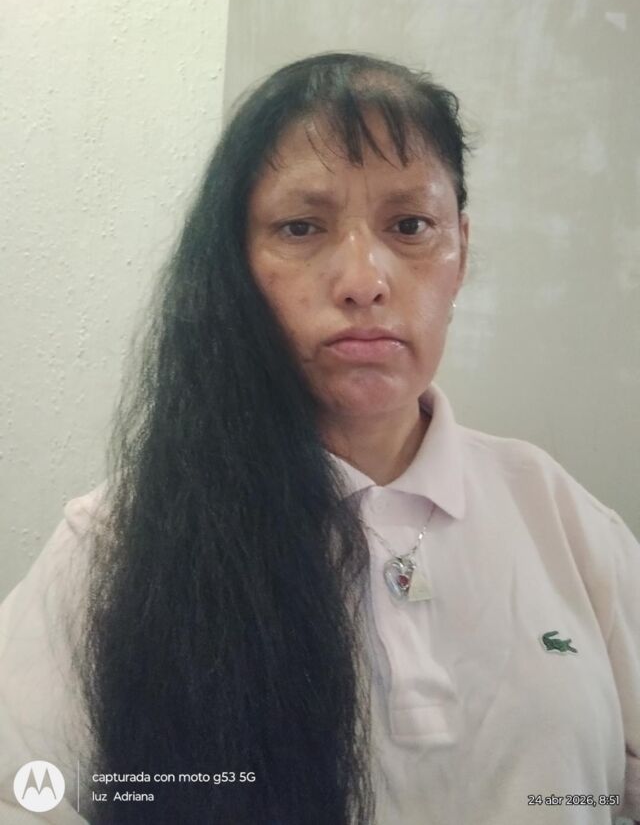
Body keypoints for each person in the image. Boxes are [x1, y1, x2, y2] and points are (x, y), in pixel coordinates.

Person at [0, 51, 638, 825]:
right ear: (237, 264)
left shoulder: (560, 517)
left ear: (461, 251)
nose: (364, 280)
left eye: (410, 226)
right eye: (301, 227)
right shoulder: (116, 541)